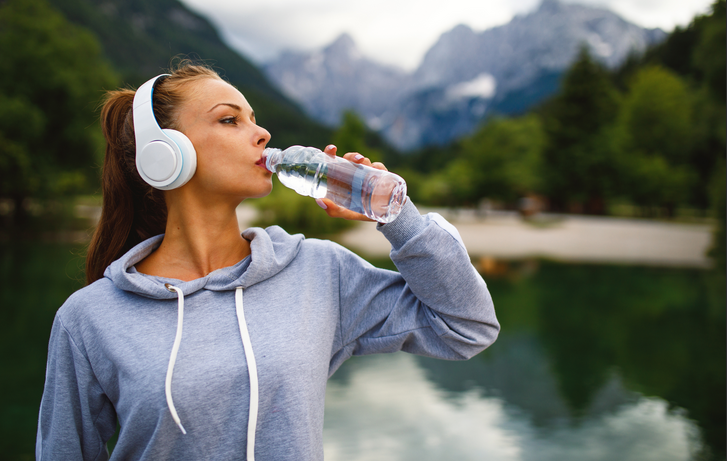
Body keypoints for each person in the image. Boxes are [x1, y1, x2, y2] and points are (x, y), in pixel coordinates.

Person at [35, 62, 499, 460]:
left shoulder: (320, 273)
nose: (263, 133)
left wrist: (397, 215)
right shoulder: (89, 318)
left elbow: (467, 328)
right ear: (166, 154)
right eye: (230, 120)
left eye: (253, 118)